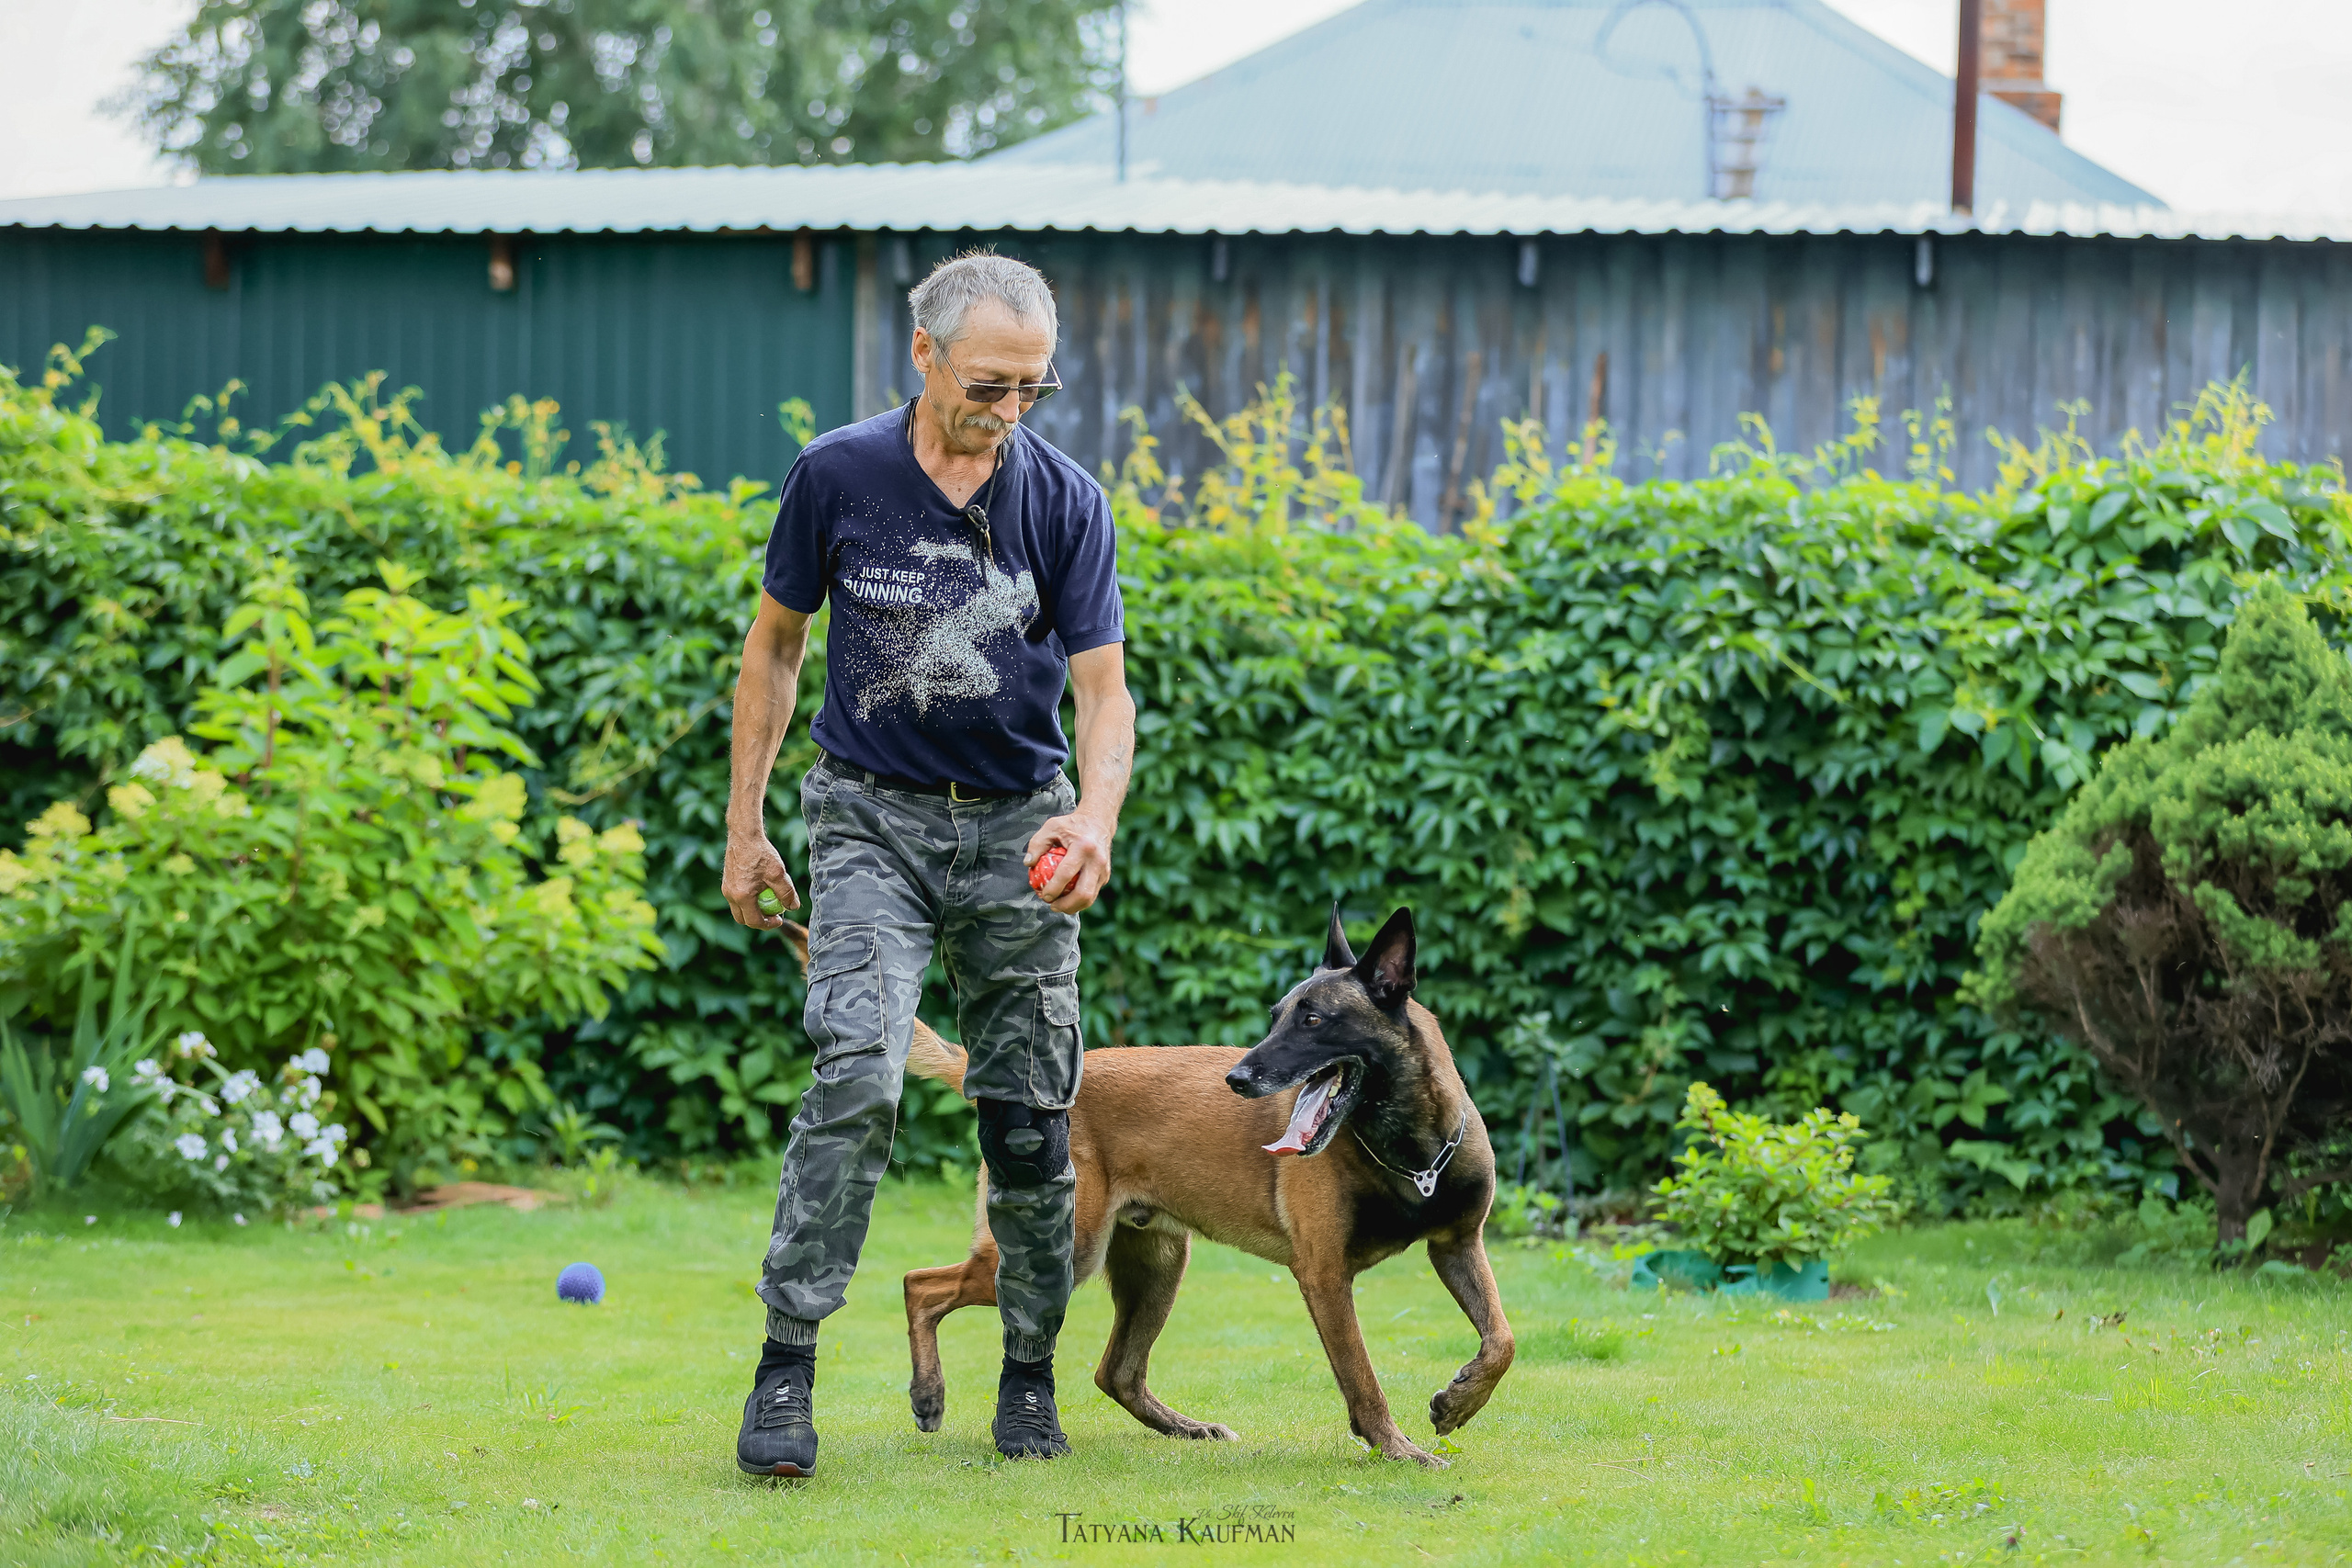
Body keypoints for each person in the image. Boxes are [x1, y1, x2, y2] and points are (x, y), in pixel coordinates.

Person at [720, 251, 1135, 1476]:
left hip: (1022, 829)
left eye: (1032, 391)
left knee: (1027, 1127)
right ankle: (786, 1366)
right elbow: (777, 648)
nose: (1008, 412)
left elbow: (1106, 697)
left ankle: (1026, 1377)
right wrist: (747, 827)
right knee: (857, 1074)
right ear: (926, 356)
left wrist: (1096, 822)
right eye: (987, 386)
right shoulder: (838, 475)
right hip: (870, 820)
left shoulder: (1066, 503)